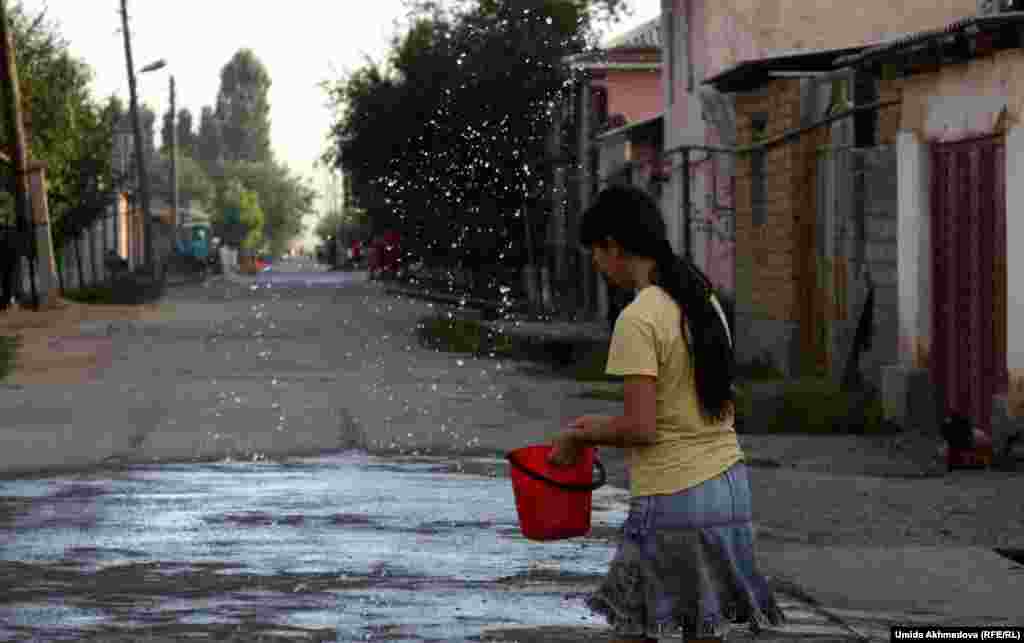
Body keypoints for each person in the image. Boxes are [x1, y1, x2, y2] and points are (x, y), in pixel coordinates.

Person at [547, 185, 785, 643]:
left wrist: (580, 434)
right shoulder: (703, 300)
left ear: (613, 247)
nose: (596, 266)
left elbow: (641, 427)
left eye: (595, 254)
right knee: (703, 630)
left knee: (633, 631)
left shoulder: (639, 318)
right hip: (729, 493)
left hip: (675, 497)